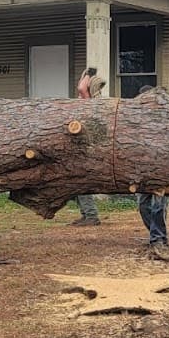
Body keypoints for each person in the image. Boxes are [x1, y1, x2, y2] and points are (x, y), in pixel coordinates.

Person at [69, 68, 106, 227]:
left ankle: (91, 215)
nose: (78, 96)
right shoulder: (94, 102)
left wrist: (88, 74)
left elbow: (81, 89)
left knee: (81, 183)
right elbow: (81, 88)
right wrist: (85, 75)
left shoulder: (91, 104)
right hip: (86, 151)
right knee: (76, 183)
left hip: (88, 152)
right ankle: (86, 214)